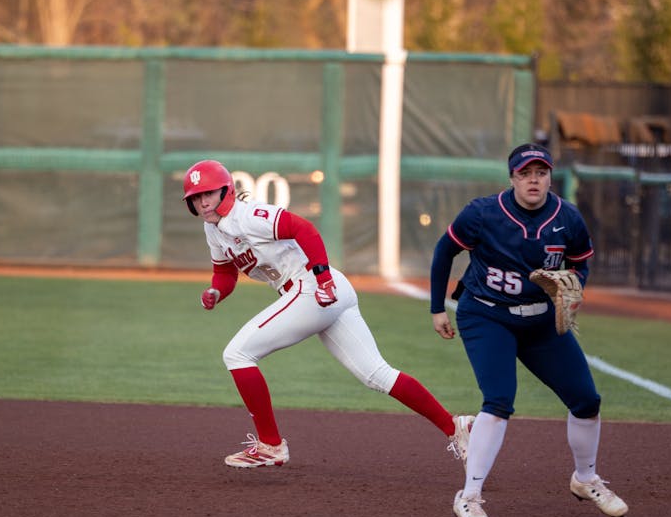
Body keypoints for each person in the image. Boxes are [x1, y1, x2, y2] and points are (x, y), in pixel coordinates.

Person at [182, 158, 473, 468]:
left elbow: (303, 229)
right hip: (320, 290)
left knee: (237, 354)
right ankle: (456, 427)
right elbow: (225, 273)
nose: (202, 202)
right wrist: (216, 291)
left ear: (226, 190)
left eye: (208, 193)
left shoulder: (248, 215)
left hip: (313, 288)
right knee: (376, 373)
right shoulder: (213, 229)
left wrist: (323, 280)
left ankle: (270, 445)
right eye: (196, 197)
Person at [429, 143, 628, 517]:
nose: (533, 180)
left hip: (540, 322)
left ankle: (586, 479)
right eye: (525, 173)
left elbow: (580, 262)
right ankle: (468, 497)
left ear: (550, 177)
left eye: (540, 172)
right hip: (486, 315)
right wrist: (438, 308)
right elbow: (444, 252)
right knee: (499, 401)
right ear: (512, 178)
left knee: (586, 400)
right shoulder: (483, 213)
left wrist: (574, 287)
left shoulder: (567, 218)